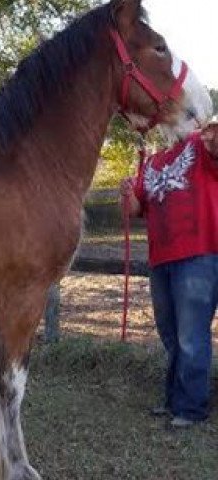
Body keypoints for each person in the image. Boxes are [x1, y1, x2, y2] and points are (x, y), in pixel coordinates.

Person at [121, 124, 218, 428]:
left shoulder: (199, 145)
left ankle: (191, 408)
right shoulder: (151, 160)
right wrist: (126, 195)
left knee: (191, 335)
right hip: (160, 258)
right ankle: (175, 400)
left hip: (198, 254)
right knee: (171, 333)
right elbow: (137, 207)